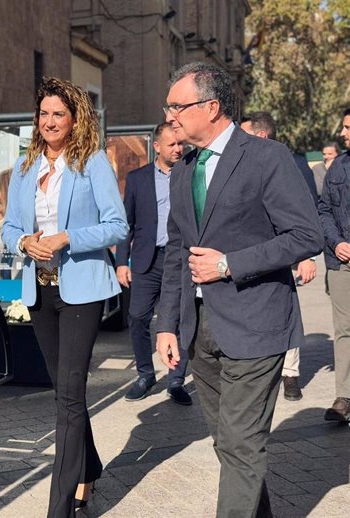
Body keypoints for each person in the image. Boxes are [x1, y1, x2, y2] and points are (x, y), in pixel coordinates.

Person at [156, 62, 323, 517]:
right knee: (231, 444)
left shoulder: (268, 158)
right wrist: (167, 324)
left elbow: (307, 236)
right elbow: (177, 252)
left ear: (211, 107)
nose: (170, 114)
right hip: (199, 328)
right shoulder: (181, 170)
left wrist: (229, 264)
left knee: (242, 445)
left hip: (256, 322)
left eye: (177, 105)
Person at [2, 76, 127, 517]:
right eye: (44, 114)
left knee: (70, 393)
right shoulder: (24, 169)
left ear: (74, 120)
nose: (49, 121)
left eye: (59, 114)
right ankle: (89, 467)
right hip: (40, 292)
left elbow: (117, 226)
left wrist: (64, 238)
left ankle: (59, 508)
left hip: (82, 291)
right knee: (65, 392)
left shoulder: (91, 162)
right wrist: (24, 244)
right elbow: (8, 229)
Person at [240, 110, 318, 401]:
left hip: (285, 252)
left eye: (244, 134)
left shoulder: (293, 163)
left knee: (286, 311)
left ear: (261, 135)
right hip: (252, 253)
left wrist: (306, 257)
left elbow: (308, 212)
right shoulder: (236, 165)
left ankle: (290, 374)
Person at [116, 123, 192, 405]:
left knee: (181, 320)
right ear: (157, 146)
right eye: (171, 144)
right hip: (147, 259)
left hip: (181, 260)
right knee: (137, 317)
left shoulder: (190, 173)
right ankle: (145, 375)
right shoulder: (138, 179)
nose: (177, 149)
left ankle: (176, 380)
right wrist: (122, 261)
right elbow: (127, 224)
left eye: (180, 144)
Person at [318, 107, 350, 422]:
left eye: (348, 127)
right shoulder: (338, 167)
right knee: (344, 330)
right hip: (342, 263)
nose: (343, 133)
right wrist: (336, 241)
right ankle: (345, 397)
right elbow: (324, 209)